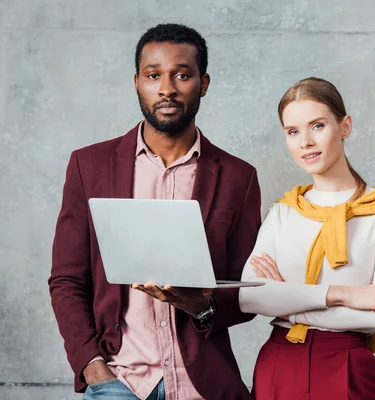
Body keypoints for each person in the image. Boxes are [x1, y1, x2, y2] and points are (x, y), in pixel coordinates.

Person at [49, 23, 261, 400]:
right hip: (118, 379)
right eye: (153, 75)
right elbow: (67, 280)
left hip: (204, 385)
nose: (167, 88)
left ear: (204, 83)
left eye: (182, 74)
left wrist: (203, 307)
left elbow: (246, 291)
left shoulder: (238, 178)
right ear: (136, 82)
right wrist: (93, 368)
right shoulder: (88, 166)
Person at [238, 77, 375, 400]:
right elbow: (249, 298)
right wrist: (343, 294)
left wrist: (286, 303)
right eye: (293, 132)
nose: (305, 141)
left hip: (346, 366)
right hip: (279, 364)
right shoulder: (284, 211)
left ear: (344, 126)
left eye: (317, 126)